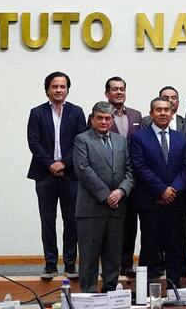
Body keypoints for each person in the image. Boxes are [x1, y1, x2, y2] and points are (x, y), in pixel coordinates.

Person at [27, 71, 87, 280]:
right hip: (44, 175)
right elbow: (33, 142)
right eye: (55, 86)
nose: (59, 90)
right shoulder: (37, 112)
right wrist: (51, 164)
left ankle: (70, 265)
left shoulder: (77, 112)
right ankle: (50, 265)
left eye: (62, 86)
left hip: (71, 175)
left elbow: (81, 141)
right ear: (47, 90)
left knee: (72, 221)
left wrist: (64, 163)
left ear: (68, 89)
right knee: (48, 221)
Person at [74, 102, 135, 293]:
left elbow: (129, 171)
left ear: (112, 120)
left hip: (117, 207)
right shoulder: (82, 139)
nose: (103, 121)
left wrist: (121, 191)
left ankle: (110, 292)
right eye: (99, 117)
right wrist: (106, 195)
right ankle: (89, 294)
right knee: (89, 255)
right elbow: (83, 170)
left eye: (107, 118)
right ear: (92, 119)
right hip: (92, 208)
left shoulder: (120, 141)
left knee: (113, 256)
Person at [130, 97, 186, 285]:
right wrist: (161, 190)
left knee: (175, 247)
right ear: (151, 113)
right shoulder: (139, 137)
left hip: (176, 201)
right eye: (159, 110)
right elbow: (139, 167)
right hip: (150, 202)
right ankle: (145, 290)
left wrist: (173, 190)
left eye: (167, 110)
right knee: (149, 247)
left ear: (172, 114)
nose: (163, 113)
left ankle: (174, 288)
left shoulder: (181, 138)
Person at [101, 76, 143, 278]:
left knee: (130, 225)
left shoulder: (136, 115)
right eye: (114, 89)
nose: (119, 92)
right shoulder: (100, 115)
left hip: (132, 179)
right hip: (109, 180)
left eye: (122, 89)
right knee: (110, 226)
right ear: (107, 93)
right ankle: (110, 265)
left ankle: (126, 263)